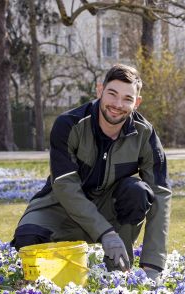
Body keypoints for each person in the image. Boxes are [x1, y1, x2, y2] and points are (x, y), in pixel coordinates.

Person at [11, 64, 171, 281]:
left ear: (137, 103)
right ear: (99, 90)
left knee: (138, 192)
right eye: (112, 94)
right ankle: (59, 270)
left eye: (127, 99)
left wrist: (153, 265)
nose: (117, 104)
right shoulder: (68, 124)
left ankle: (117, 270)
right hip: (60, 207)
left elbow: (160, 194)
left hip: (109, 209)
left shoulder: (145, 134)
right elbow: (65, 187)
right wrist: (105, 233)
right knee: (26, 239)